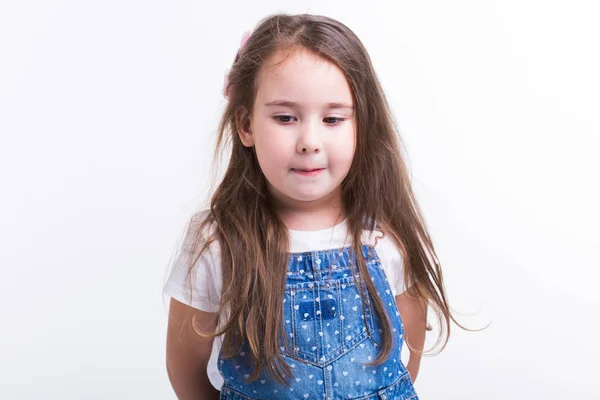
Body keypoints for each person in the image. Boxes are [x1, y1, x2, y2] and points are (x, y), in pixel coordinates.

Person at [164, 12, 458, 400]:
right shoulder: (217, 241)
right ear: (246, 125)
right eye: (285, 117)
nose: (309, 141)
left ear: (361, 126)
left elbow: (403, 366)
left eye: (333, 118)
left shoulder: (388, 234)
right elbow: (185, 369)